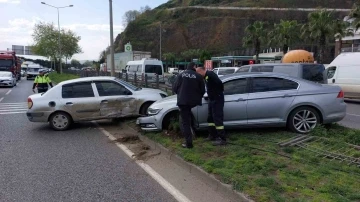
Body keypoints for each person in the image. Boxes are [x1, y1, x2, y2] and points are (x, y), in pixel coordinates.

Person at [172, 62, 205, 148]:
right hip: (193, 102)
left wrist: (180, 94)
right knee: (188, 118)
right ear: (194, 67)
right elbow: (202, 90)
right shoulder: (198, 76)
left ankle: (189, 143)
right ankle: (193, 134)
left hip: (183, 102)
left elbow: (175, 88)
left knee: (185, 122)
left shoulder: (181, 75)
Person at [196, 66, 227, 146]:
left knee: (217, 118)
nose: (198, 75)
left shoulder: (210, 75)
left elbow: (220, 84)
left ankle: (222, 139)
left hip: (217, 99)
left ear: (201, 71)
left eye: (198, 73)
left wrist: (218, 93)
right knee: (210, 118)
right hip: (211, 99)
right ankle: (212, 135)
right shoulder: (206, 77)